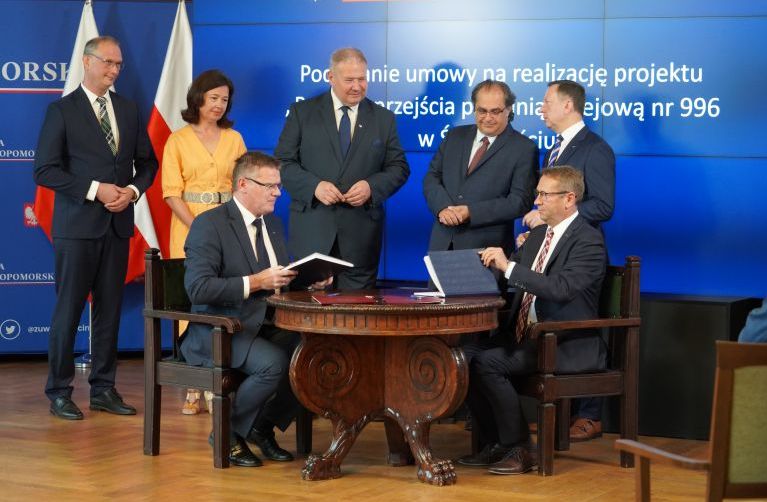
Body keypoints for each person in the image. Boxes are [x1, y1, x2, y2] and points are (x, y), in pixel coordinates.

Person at [33, 36, 158, 420]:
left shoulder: (128, 109)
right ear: (87, 62)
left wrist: (132, 192)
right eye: (108, 62)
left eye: (119, 64)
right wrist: (95, 190)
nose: (114, 70)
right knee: (68, 311)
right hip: (76, 229)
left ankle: (103, 388)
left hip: (118, 227)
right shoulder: (62, 110)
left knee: (109, 311)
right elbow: (45, 170)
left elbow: (148, 164)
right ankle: (59, 391)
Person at [182, 151, 328, 467]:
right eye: (270, 186)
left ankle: (262, 427)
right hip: (220, 328)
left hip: (263, 323)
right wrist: (255, 282)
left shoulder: (271, 223)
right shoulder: (209, 225)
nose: (278, 193)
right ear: (243, 185)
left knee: (317, 356)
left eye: (279, 186)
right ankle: (227, 433)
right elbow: (198, 288)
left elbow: (276, 280)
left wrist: (308, 281)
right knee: (274, 363)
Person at [458, 166, 606, 475]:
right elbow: (511, 276)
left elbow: (561, 289)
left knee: (487, 363)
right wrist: (478, 268)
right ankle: (497, 444)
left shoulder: (589, 240)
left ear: (569, 199)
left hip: (562, 341)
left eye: (543, 195)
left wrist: (509, 266)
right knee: (460, 359)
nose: (536, 201)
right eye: (537, 194)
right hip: (522, 334)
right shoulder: (538, 236)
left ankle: (522, 448)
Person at [520, 79, 616, 442]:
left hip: (580, 253)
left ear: (568, 106)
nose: (541, 108)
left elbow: (603, 205)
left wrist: (553, 217)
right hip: (551, 251)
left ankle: (590, 414)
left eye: (547, 102)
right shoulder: (554, 149)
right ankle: (557, 414)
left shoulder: (596, 149)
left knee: (583, 326)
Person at [275, 47, 410, 289]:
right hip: (312, 233)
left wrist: (371, 187)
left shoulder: (383, 118)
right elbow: (282, 162)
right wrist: (314, 187)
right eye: (349, 80)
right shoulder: (302, 113)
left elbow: (399, 167)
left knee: (357, 310)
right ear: (331, 77)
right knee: (309, 309)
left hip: (361, 238)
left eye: (362, 79)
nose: (357, 86)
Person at [162, 69, 246, 415]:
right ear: (198, 98)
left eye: (224, 100)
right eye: (213, 98)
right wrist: (200, 228)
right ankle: (193, 384)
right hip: (189, 227)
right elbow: (171, 193)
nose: (219, 105)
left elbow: (244, 185)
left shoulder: (234, 138)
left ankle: (220, 381)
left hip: (229, 227)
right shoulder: (178, 140)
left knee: (224, 301)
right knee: (192, 303)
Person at [423, 80, 538, 255]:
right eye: (482, 111)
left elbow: (520, 201)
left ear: (509, 110)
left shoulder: (524, 148)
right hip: (442, 243)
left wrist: (471, 212)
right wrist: (443, 208)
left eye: (495, 111)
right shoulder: (454, 136)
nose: (488, 118)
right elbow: (432, 178)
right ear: (474, 108)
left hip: (487, 251)